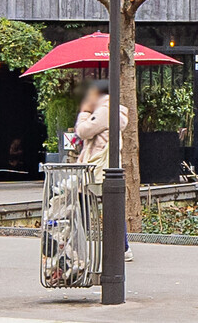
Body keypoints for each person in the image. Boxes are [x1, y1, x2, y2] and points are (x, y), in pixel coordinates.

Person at [72, 81, 132, 262]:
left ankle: (79, 246)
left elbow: (83, 131)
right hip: (104, 166)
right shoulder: (111, 110)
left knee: (83, 202)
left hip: (97, 167)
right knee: (111, 204)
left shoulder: (105, 110)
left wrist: (84, 112)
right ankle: (123, 247)